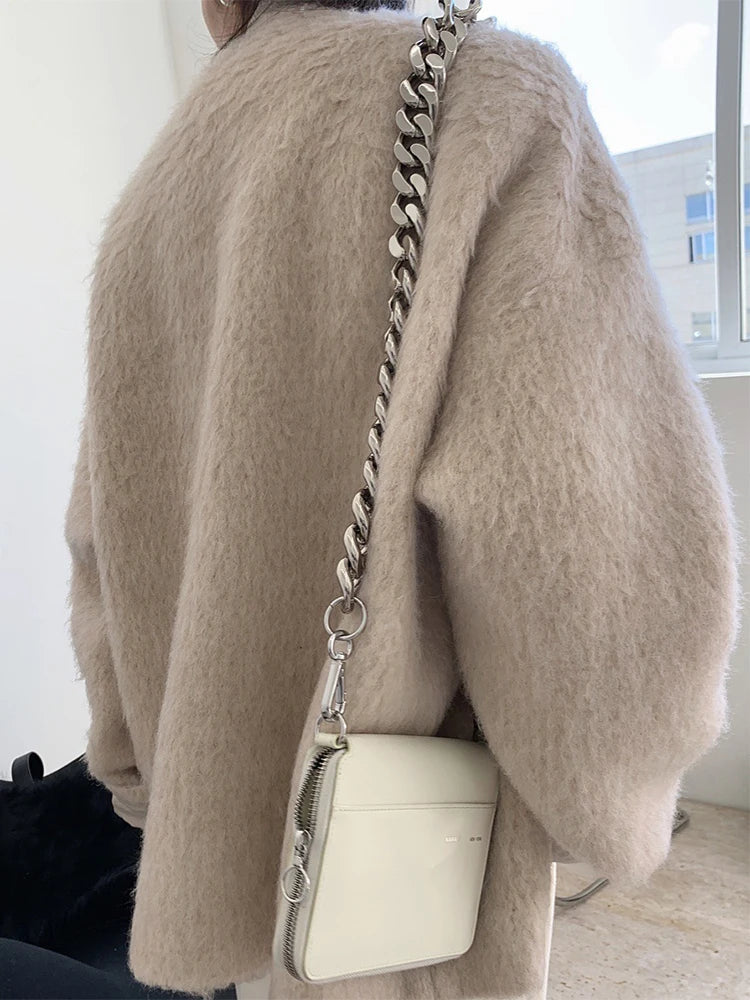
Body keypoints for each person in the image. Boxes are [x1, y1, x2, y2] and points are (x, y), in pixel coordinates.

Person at [61, 0, 741, 998]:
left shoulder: (153, 190)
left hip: (214, 820)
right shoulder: (489, 101)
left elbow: (99, 544)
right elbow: (591, 550)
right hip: (416, 849)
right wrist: (614, 775)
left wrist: (139, 773)